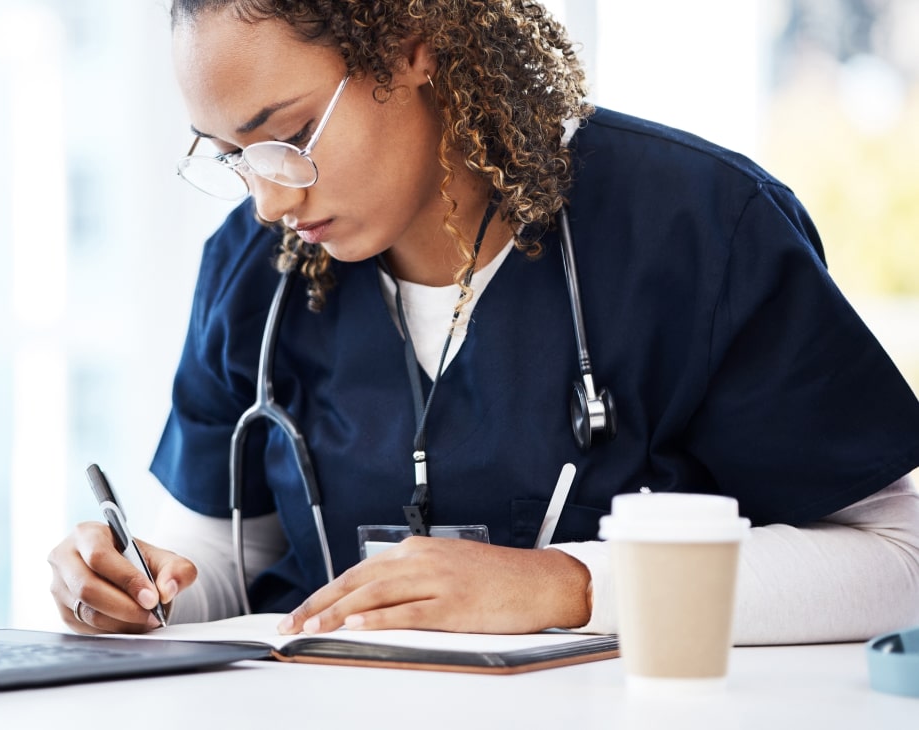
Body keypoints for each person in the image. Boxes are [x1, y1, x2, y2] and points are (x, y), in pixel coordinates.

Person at [48, 0, 919, 643]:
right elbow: (219, 560)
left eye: (290, 135)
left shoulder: (698, 229)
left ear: (413, 42)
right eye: (235, 157)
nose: (270, 199)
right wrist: (135, 586)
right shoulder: (253, 269)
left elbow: (900, 565)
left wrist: (568, 587)